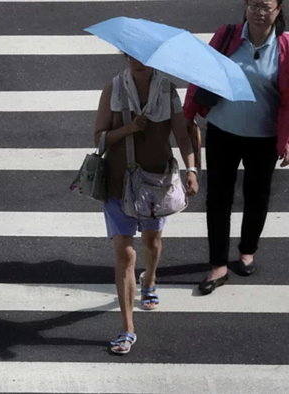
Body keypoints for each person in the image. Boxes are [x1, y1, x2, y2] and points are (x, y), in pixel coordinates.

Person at [94, 56, 199, 354]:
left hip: (156, 184)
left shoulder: (167, 92)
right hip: (118, 184)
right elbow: (98, 138)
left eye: (145, 56)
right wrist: (129, 128)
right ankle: (127, 329)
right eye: (132, 55)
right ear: (125, 56)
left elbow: (182, 135)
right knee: (126, 254)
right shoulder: (112, 89)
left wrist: (192, 170)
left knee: (152, 243)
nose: (138, 61)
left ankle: (149, 279)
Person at [184, 0, 289, 296]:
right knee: (218, 199)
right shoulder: (227, 35)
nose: (259, 11)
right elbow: (201, 75)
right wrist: (189, 115)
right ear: (245, 7)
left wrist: (287, 137)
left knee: (257, 197)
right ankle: (217, 264)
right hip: (222, 131)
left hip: (263, 137)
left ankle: (247, 250)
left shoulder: (284, 47)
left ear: (279, 10)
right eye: (253, 4)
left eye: (266, 5)